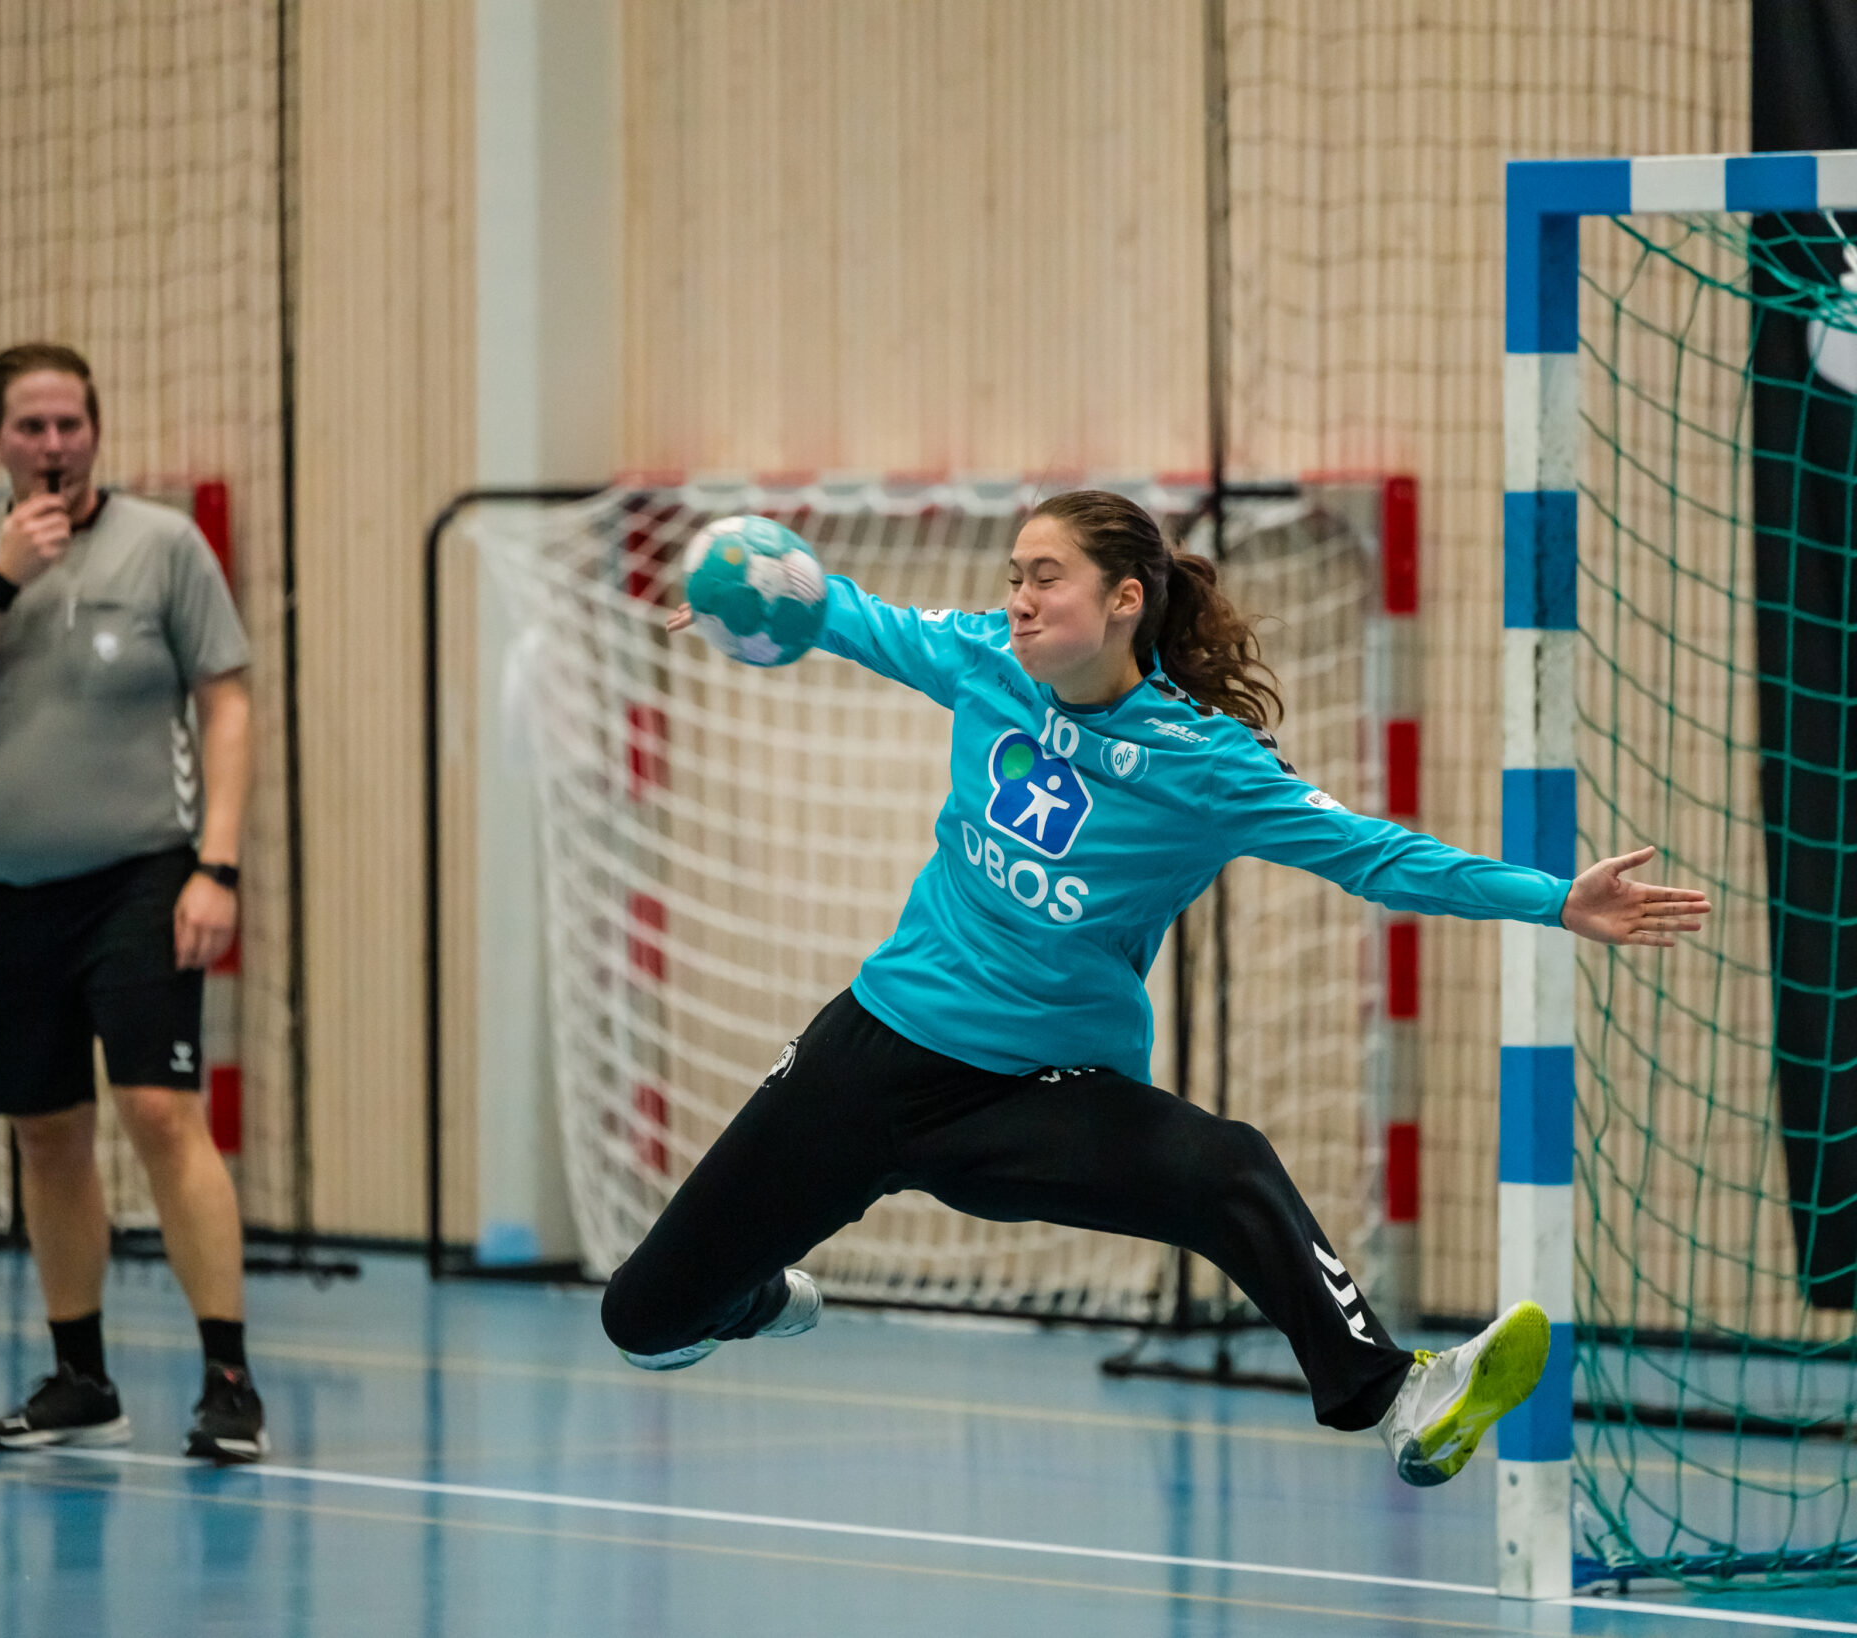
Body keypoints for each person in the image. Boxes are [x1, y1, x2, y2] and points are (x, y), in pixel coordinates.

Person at [601, 488, 1712, 1487]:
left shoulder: (1204, 762)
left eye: (1045, 577)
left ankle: (1396, 1395)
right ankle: (752, 1292)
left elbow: (1373, 854)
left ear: (1125, 600)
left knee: (1224, 1166)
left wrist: (1553, 900)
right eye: (1012, 577)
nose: (1019, 600)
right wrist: (753, 600)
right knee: (643, 1319)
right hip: (873, 1055)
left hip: (1035, 1094)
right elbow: (845, 613)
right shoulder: (983, 659)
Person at [0, 342, 267, 1463]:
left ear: (96, 430)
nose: (52, 447)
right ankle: (79, 1377)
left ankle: (228, 1380)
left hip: (142, 879)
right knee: (47, 1132)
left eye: (69, 425)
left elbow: (227, 701)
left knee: (157, 1113)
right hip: (0, 893)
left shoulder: (165, 548)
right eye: (30, 427)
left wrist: (219, 867)